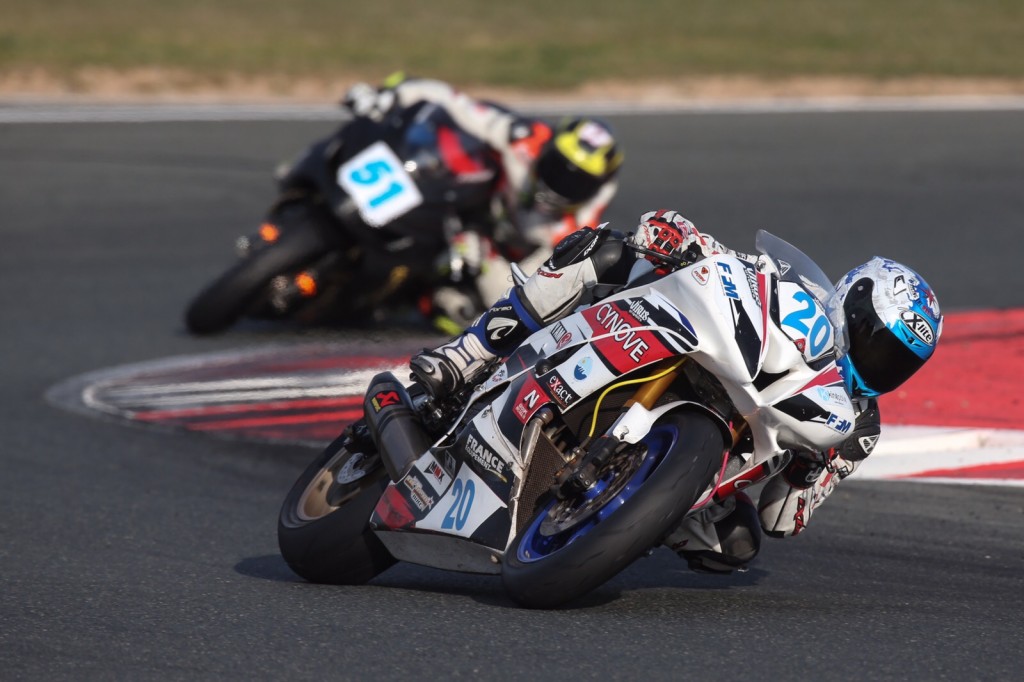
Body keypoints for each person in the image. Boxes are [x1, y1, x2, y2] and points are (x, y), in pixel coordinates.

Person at [408, 209, 944, 573]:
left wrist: (815, 472)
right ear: (849, 302)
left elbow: (784, 519)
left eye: (897, 362)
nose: (878, 363)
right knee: (607, 250)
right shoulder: (793, 289)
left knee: (738, 545)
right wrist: (682, 241)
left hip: (718, 467)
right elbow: (726, 266)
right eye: (876, 341)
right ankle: (468, 356)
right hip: (704, 354)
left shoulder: (859, 426)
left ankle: (629, 514)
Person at [341, 73, 625, 330]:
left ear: (596, 188)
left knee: (459, 311)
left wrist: (486, 257)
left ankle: (404, 295)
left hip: (492, 254)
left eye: (578, 182)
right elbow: (451, 100)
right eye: (558, 167)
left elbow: (526, 294)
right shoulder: (523, 140)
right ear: (548, 149)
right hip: (465, 203)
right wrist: (390, 96)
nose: (562, 184)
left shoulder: (575, 232)